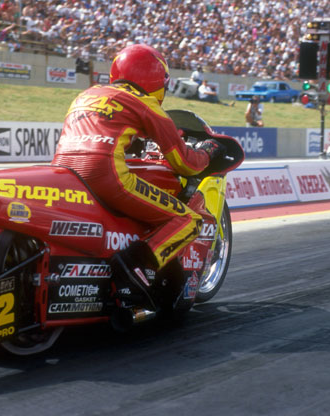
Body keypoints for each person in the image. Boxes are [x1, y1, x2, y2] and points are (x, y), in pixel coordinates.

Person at [52, 44, 223, 310]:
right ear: (156, 80)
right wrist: (208, 153)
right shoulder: (146, 104)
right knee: (189, 220)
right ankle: (135, 268)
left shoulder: (85, 95)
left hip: (62, 169)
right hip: (105, 173)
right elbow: (185, 163)